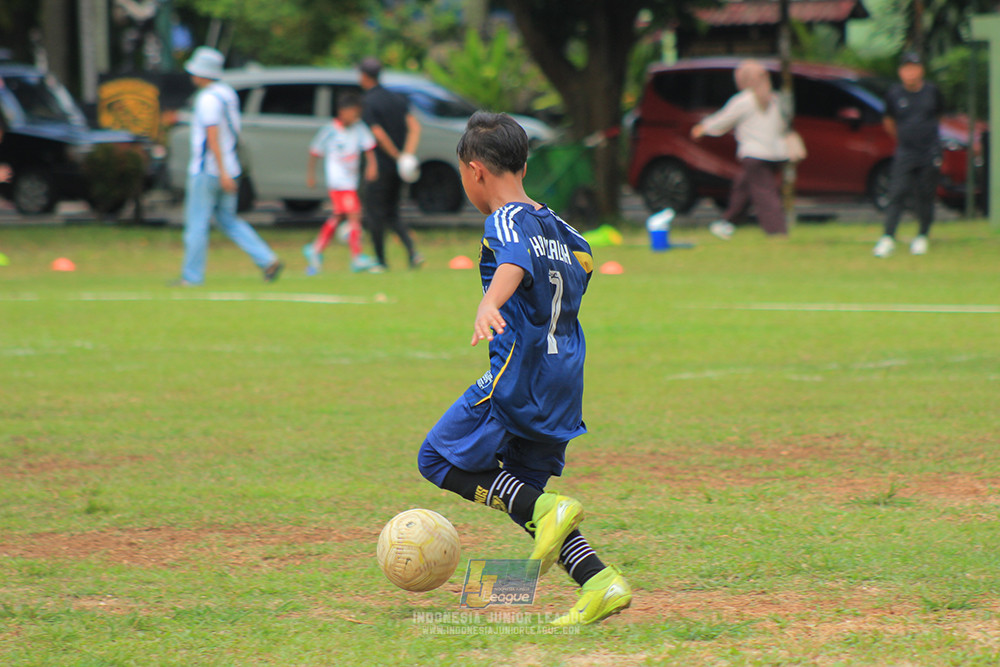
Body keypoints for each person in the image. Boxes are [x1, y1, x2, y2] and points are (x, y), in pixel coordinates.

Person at [416, 111, 632, 626]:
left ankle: (541, 526)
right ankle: (600, 583)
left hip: (519, 377)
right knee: (530, 501)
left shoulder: (507, 218)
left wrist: (489, 303)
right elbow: (582, 267)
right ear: (525, 161)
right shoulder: (564, 228)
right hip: (563, 381)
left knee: (436, 459)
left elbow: (514, 260)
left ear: (474, 172)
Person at [173, 46, 283, 287]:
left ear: (203, 73)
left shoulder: (207, 99)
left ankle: (191, 277)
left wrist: (221, 172)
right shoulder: (227, 93)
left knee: (196, 225)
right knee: (228, 220)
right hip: (230, 168)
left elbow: (212, 137)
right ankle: (267, 259)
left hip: (208, 170)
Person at [691, 59, 789, 239]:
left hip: (754, 155)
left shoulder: (744, 100)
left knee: (765, 195)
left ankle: (777, 232)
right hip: (775, 154)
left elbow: (723, 120)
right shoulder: (774, 99)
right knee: (742, 189)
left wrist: (703, 128)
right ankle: (726, 224)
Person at [873, 52, 944, 258]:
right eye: (906, 68)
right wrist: (905, 138)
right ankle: (888, 237)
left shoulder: (932, 92)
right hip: (905, 151)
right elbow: (889, 122)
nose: (910, 73)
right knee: (897, 192)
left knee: (925, 193)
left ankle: (922, 235)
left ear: (921, 70)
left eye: (914, 67)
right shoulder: (894, 94)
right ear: (900, 72)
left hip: (929, 150)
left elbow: (939, 115)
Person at [358, 57, 424, 271]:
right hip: (400, 168)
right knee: (393, 211)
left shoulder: (368, 101)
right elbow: (415, 127)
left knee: (375, 213)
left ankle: (381, 260)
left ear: (363, 76)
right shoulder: (396, 98)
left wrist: (396, 156)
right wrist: (407, 155)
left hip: (379, 166)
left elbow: (377, 134)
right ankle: (413, 253)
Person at [303, 92, 380, 274]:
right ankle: (357, 257)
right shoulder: (329, 130)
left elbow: (369, 148)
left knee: (338, 217)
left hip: (351, 182)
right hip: (338, 182)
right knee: (355, 214)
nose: (355, 117)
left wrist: (372, 166)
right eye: (353, 113)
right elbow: (314, 152)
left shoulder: (359, 128)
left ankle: (315, 249)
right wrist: (311, 175)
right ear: (342, 112)